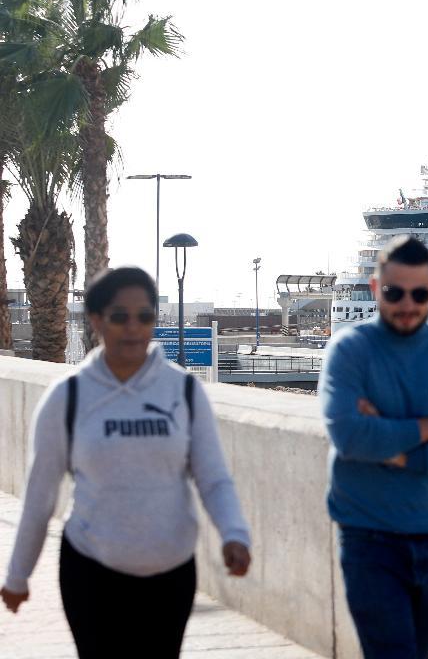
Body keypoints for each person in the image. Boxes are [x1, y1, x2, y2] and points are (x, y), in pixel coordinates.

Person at [1, 267, 252, 658]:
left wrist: (235, 534)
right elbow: (40, 494)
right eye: (120, 316)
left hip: (171, 572)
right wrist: (18, 576)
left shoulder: (183, 390)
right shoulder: (67, 397)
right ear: (97, 320)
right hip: (91, 569)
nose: (134, 327)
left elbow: (213, 477)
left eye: (145, 316)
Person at [319, 236, 428, 659]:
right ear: (376, 289)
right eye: (395, 293)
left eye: (418, 294)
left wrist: (398, 452)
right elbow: (348, 434)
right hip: (369, 537)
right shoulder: (349, 350)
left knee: (419, 650)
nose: (407, 304)